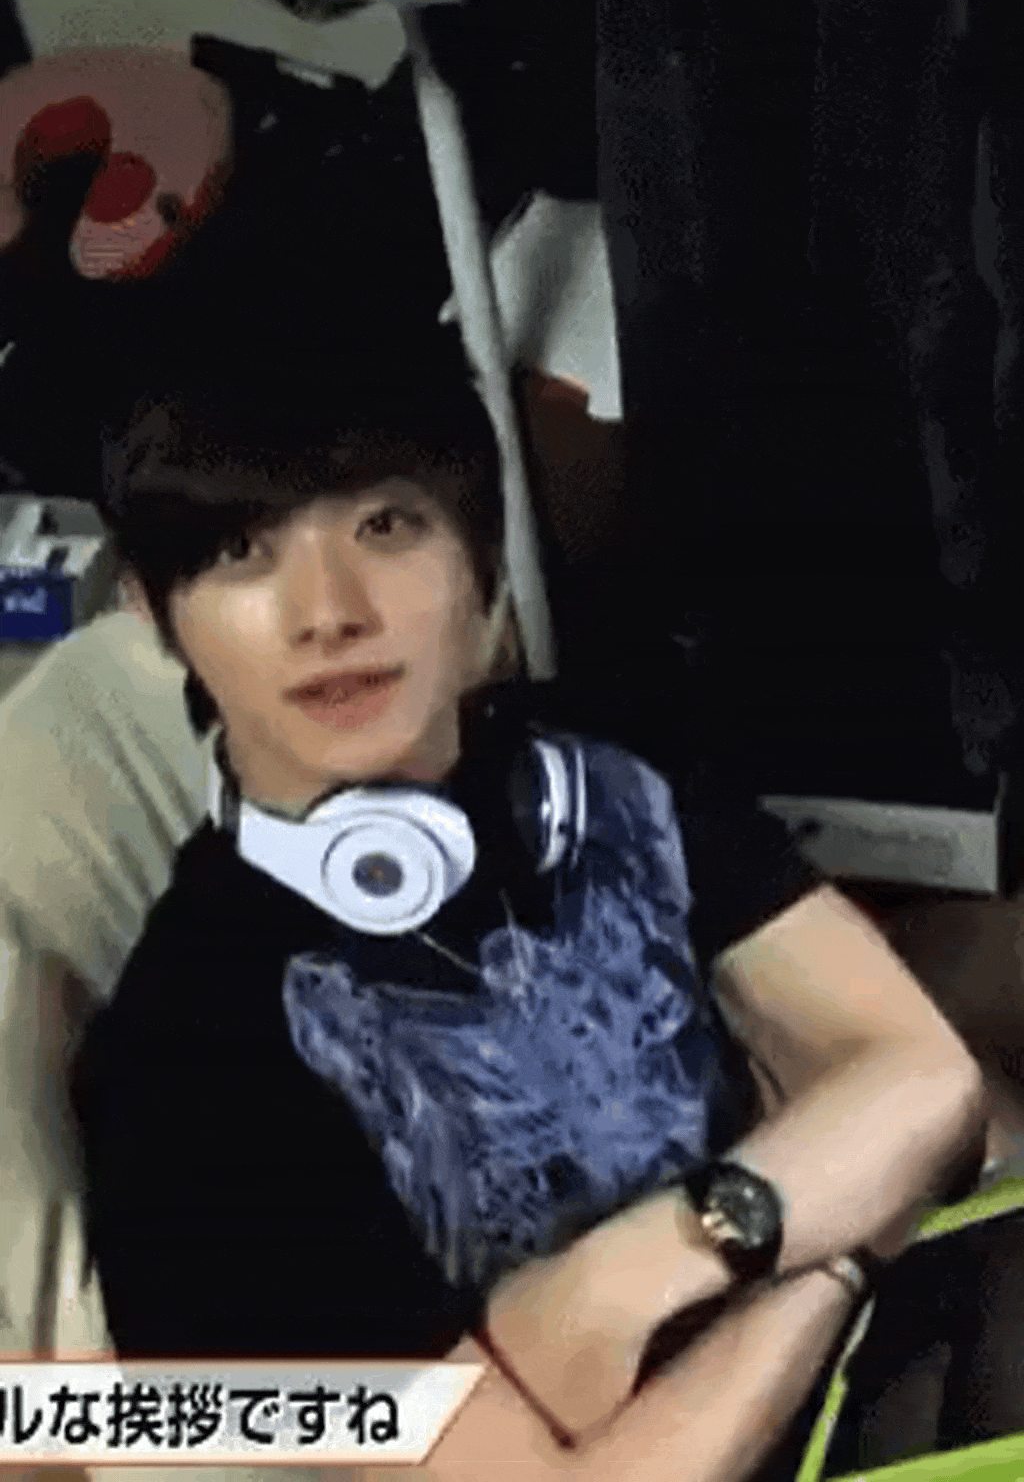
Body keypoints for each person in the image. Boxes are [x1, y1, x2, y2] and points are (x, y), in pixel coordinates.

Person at [67, 361, 986, 1478]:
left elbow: (926, 1078)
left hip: (925, 1329)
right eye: (241, 551)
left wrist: (626, 1278)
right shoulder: (187, 1068)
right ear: (154, 613)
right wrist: (841, 1251)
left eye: (385, 527)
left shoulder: (597, 762)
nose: (330, 613)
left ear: (482, 565)